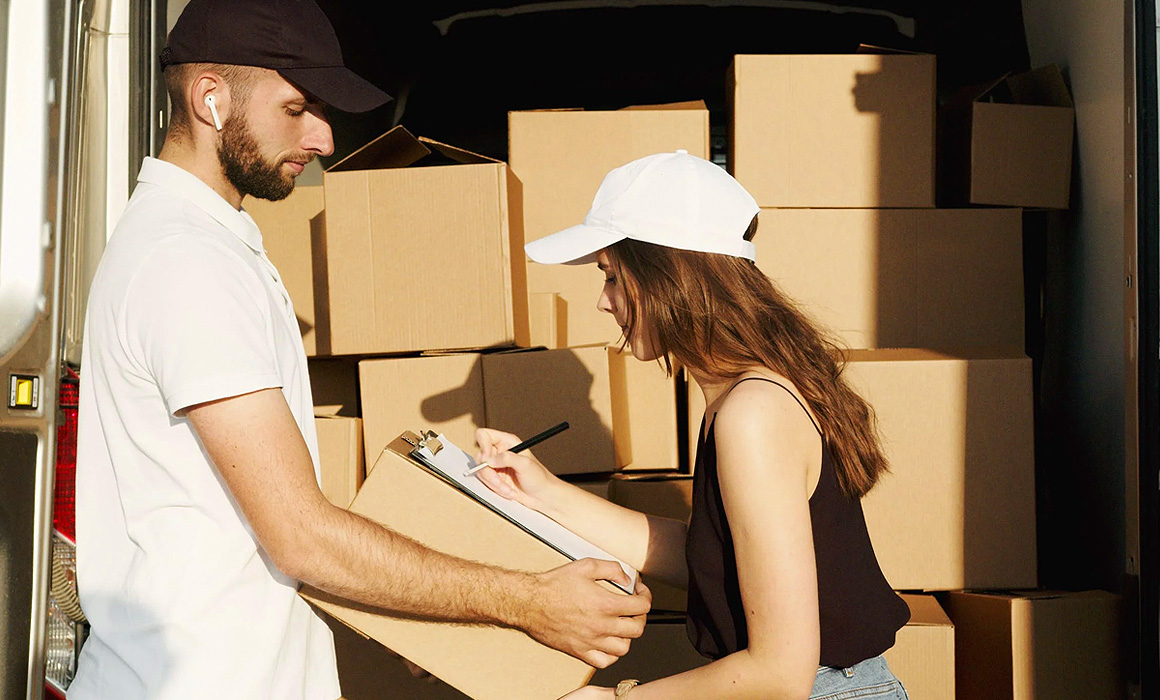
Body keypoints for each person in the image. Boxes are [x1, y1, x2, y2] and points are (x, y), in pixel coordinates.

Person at [71, 1, 648, 697]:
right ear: (211, 99)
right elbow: (301, 537)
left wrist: (426, 608)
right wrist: (529, 601)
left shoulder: (207, 245)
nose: (322, 136)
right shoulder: (187, 263)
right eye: (297, 108)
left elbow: (265, 533)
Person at [474, 151, 911, 700]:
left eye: (611, 276)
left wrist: (616, 699)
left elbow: (781, 673)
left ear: (668, 274)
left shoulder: (752, 413)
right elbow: (710, 559)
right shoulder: (742, 397)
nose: (603, 302)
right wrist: (542, 492)